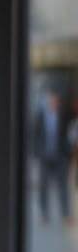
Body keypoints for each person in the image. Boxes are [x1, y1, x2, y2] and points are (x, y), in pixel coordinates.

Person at [32, 89, 74, 223]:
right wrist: (38, 152)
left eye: (56, 101)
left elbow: (70, 133)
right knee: (43, 186)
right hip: (45, 157)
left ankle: (66, 215)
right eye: (51, 101)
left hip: (61, 157)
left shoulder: (64, 115)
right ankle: (44, 215)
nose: (54, 103)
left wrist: (68, 151)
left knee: (63, 187)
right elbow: (34, 135)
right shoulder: (40, 116)